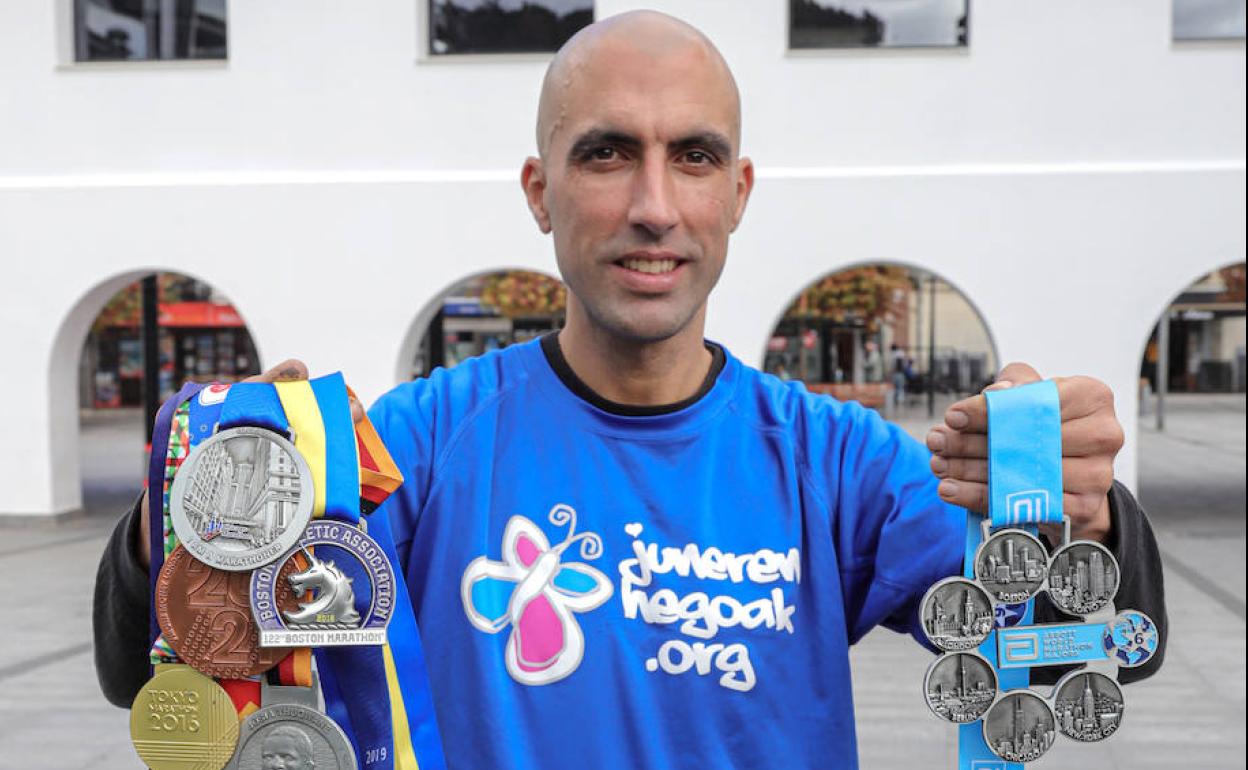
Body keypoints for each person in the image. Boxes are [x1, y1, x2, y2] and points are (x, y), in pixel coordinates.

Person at [94, 11, 1166, 770]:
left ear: (737, 193)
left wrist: (1080, 510)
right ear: (540, 190)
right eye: (607, 154)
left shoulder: (838, 463)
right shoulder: (414, 446)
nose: (655, 205)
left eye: (693, 157)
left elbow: (1087, 644)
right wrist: (202, 508)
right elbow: (146, 661)